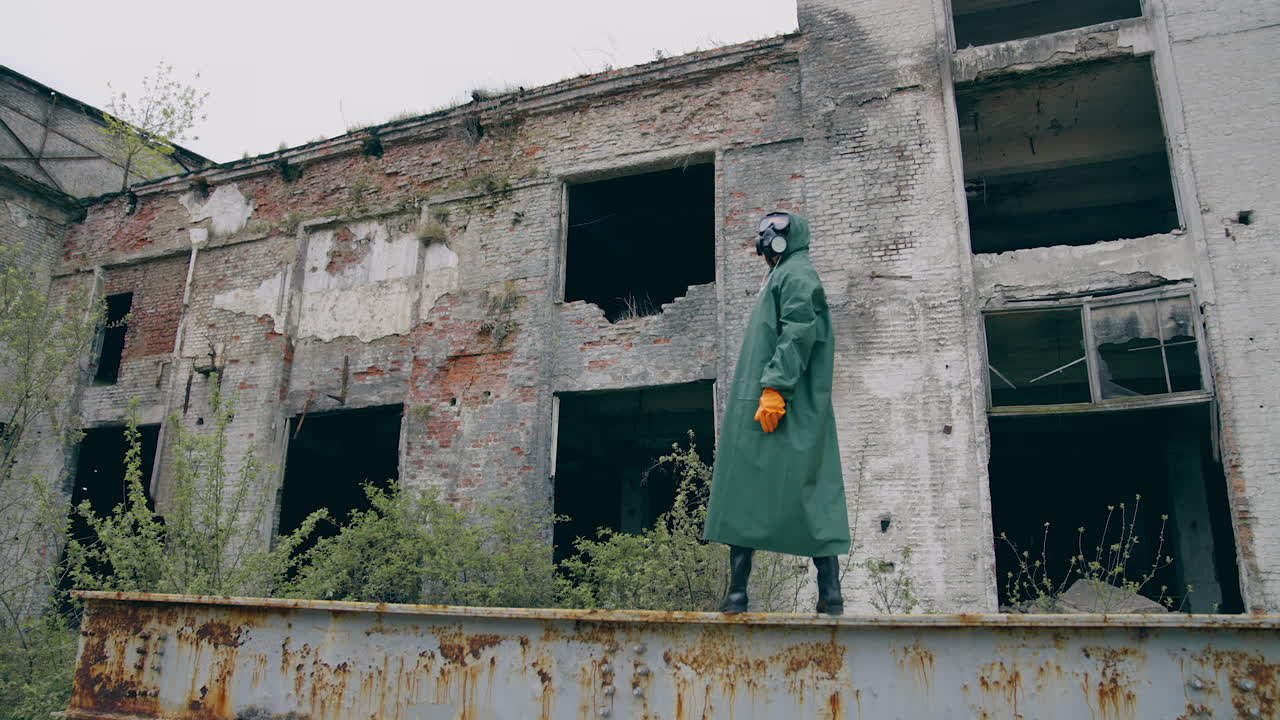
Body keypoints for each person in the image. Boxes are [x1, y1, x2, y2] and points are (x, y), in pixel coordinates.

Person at [703, 211, 851, 615]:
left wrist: (775, 387)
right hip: (776, 397)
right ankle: (812, 593)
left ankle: (744, 594)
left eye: (769, 239)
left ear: (780, 242)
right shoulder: (785, 273)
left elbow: (799, 330)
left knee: (774, 487)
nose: (764, 246)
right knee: (796, 487)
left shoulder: (797, 274)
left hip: (780, 399)